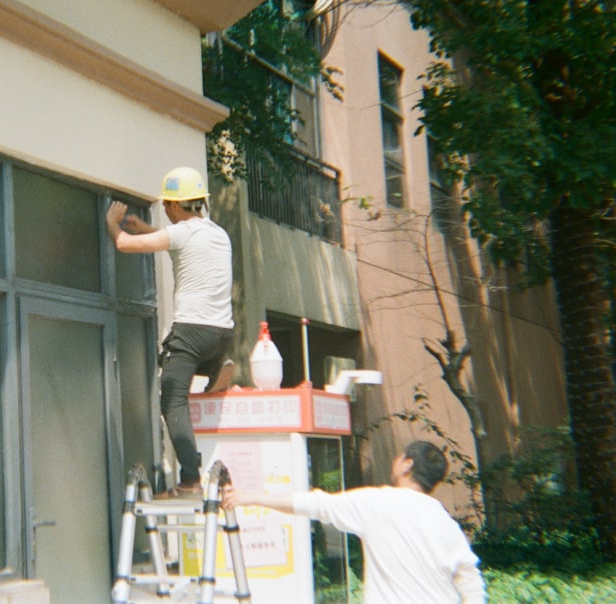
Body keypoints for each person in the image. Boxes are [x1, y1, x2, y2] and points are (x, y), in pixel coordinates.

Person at [222, 440, 486, 604]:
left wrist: (250, 497)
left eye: (399, 457)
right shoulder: (445, 522)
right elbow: (470, 581)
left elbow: (315, 504)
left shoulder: (376, 503)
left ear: (407, 465)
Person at [106, 166, 235, 498]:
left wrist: (113, 223)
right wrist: (146, 227)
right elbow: (178, 243)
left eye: (166, 205)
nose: (164, 210)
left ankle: (190, 479)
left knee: (172, 400)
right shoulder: (218, 234)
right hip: (221, 333)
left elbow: (124, 244)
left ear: (177, 206)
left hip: (191, 332)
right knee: (195, 366)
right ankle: (217, 366)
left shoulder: (181, 234)